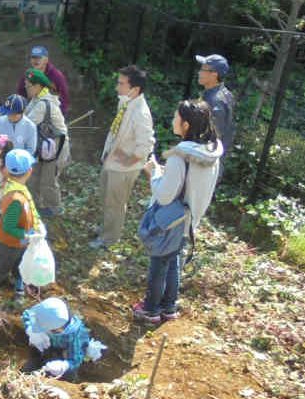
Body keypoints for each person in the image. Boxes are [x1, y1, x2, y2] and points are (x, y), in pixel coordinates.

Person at [132, 100, 223, 324]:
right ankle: (168, 307)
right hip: (189, 218)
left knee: (159, 263)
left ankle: (151, 310)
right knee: (173, 261)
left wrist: (154, 172)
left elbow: (164, 195)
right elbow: (189, 184)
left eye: (176, 117)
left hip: (170, 220)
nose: (173, 120)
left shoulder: (179, 156)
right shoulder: (211, 153)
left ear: (185, 125)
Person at [90, 65, 156, 250]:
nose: (117, 87)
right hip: (111, 161)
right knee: (106, 197)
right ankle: (105, 228)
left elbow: (147, 144)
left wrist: (129, 160)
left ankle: (109, 238)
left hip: (123, 168)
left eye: (121, 83)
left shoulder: (141, 113)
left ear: (135, 89)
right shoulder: (125, 101)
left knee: (115, 204)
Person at [0, 149, 42, 303]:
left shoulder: (16, 187)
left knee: (20, 264)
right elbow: (8, 227)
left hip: (22, 240)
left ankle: (19, 287)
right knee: (0, 267)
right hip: (12, 243)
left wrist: (36, 226)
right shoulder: (15, 199)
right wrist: (28, 235)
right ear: (29, 171)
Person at [23, 68, 70, 217]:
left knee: (48, 180)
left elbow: (26, 124)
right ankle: (35, 204)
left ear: (38, 87)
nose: (26, 88)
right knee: (34, 175)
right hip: (44, 145)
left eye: (28, 86)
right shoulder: (36, 100)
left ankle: (55, 207)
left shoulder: (44, 104)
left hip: (56, 147)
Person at [21, 297, 92, 381]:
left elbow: (75, 359)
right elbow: (27, 315)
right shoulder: (46, 313)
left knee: (66, 375)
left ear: (57, 329)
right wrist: (31, 331)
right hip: (45, 348)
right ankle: (36, 361)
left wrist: (65, 366)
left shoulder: (76, 335)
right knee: (27, 369)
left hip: (62, 356)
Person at [195, 54, 236, 169]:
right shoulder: (224, 93)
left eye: (203, 69)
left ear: (214, 74)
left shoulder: (214, 101)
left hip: (205, 162)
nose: (199, 72)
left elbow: (210, 137)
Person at [16, 46, 70, 115]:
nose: (36, 60)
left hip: (54, 113)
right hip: (33, 110)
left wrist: (59, 116)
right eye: (33, 57)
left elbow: (64, 99)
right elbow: (20, 96)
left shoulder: (57, 76)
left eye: (39, 58)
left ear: (46, 60)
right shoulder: (28, 75)